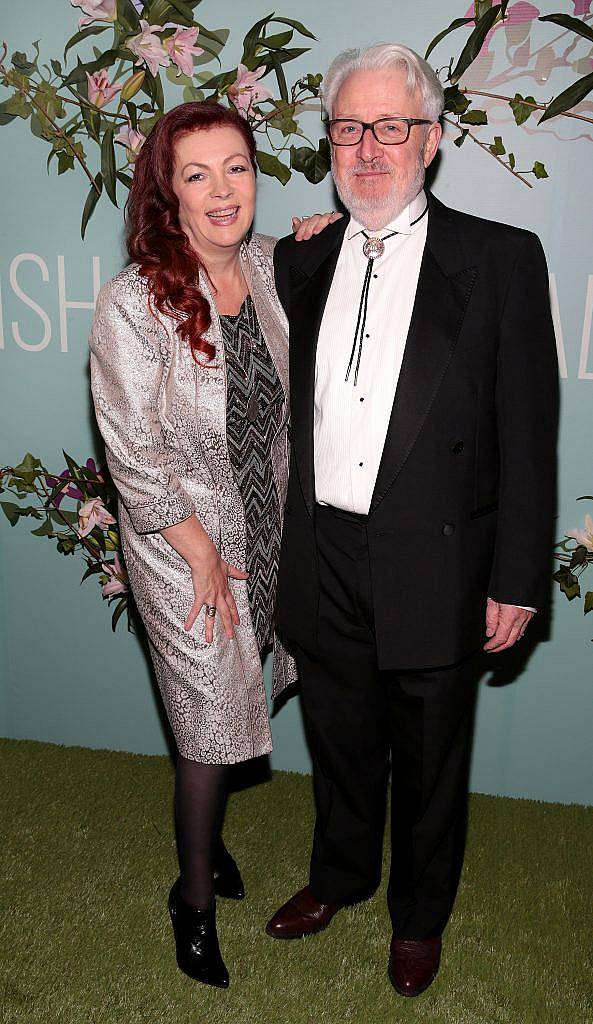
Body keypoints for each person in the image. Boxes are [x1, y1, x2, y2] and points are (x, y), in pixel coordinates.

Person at [267, 43, 559, 998]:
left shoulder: (502, 259)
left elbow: (528, 430)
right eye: (350, 128)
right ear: (331, 144)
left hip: (439, 558)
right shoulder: (299, 258)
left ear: (429, 141)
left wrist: (518, 577)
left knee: (431, 759)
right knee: (341, 737)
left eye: (391, 126)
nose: (368, 148)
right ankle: (342, 875)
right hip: (325, 552)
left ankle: (419, 916)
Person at [89, 100, 337, 990]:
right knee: (207, 728)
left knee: (242, 700)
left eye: (236, 167)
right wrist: (195, 550)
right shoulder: (137, 299)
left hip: (264, 525)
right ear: (170, 196)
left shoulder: (273, 266)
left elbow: (366, 251)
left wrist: (328, 223)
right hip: (179, 543)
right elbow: (130, 447)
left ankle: (212, 854)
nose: (223, 190)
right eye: (198, 175)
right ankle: (192, 899)